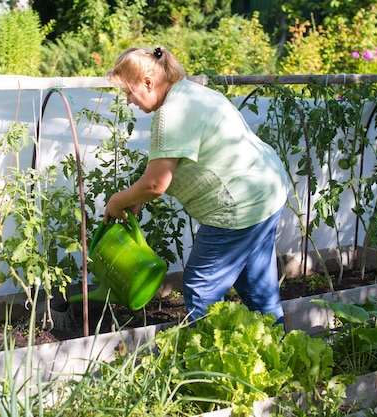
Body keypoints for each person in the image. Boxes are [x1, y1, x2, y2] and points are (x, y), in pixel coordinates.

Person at [103, 46, 290, 327]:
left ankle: (207, 363)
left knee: (201, 288)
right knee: (255, 288)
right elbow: (162, 168)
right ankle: (278, 357)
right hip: (266, 190)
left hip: (239, 206)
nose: (128, 101)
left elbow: (156, 183)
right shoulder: (190, 93)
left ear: (147, 82)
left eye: (129, 92)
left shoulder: (171, 113)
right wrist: (137, 197)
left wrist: (117, 201)